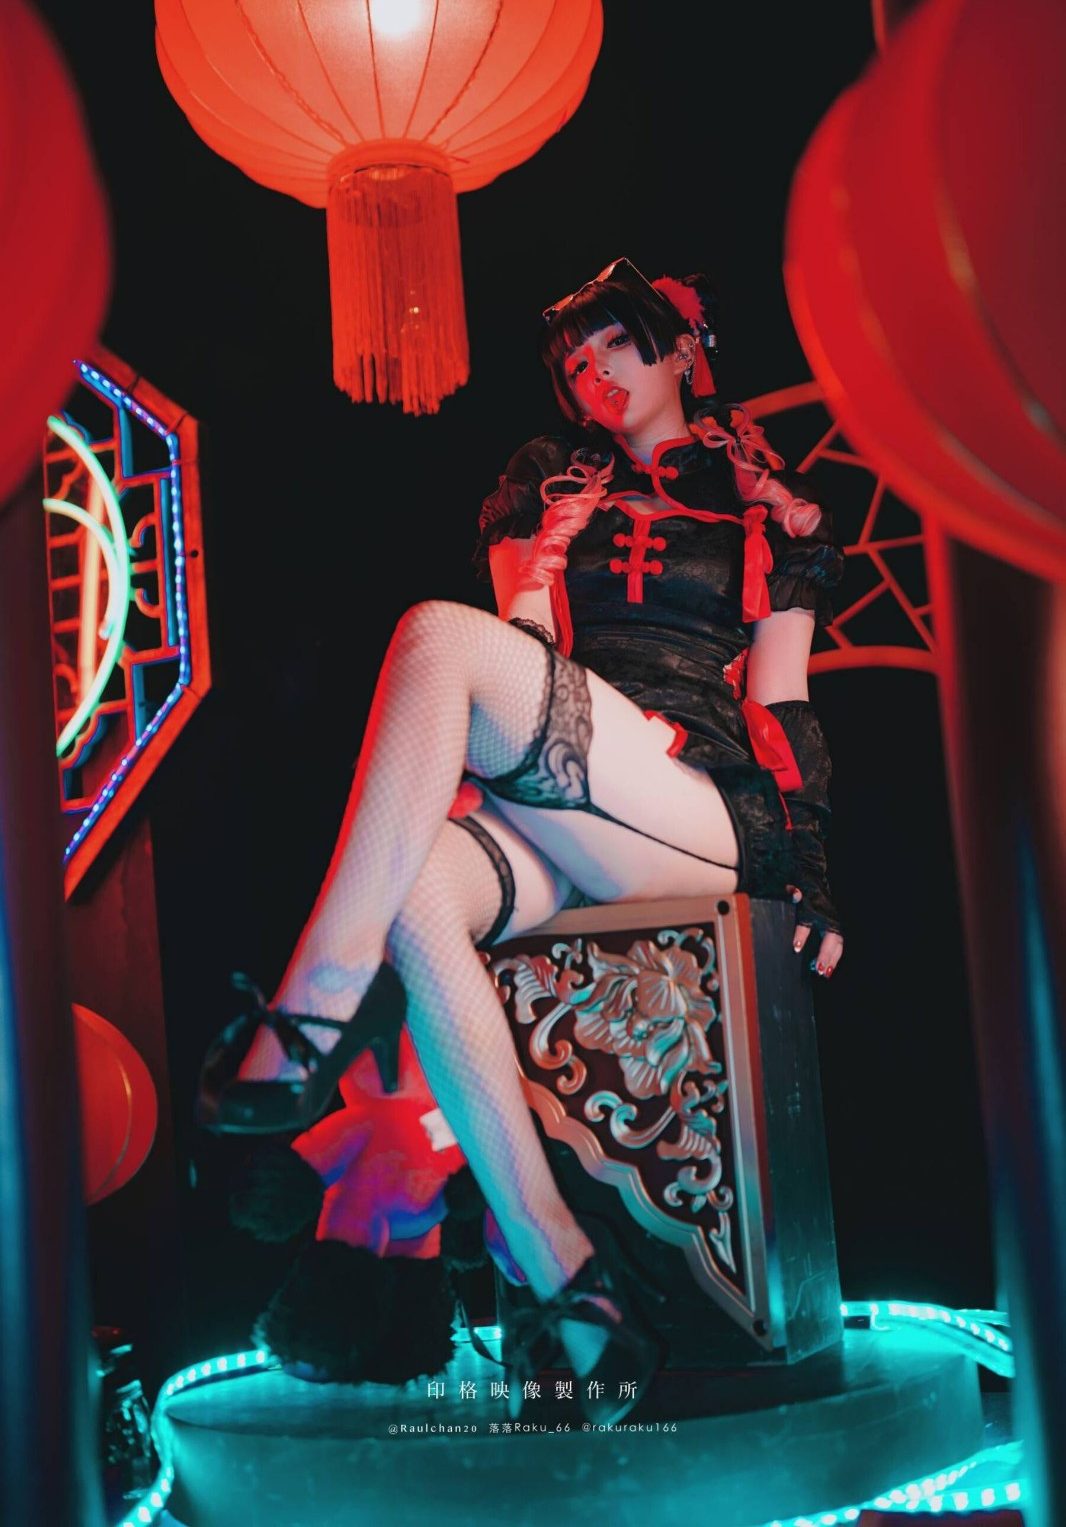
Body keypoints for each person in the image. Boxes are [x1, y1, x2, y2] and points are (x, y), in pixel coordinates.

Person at [196, 256, 845, 1424]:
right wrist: (470, 769)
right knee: (414, 884)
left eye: (614, 345)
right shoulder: (546, 484)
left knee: (431, 635)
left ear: (681, 347)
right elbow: (525, 648)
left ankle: (312, 1006)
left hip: (695, 805)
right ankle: (568, 1276)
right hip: (568, 783)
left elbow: (783, 702)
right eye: (573, 362)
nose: (593, 373)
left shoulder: (767, 508)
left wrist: (814, 877)